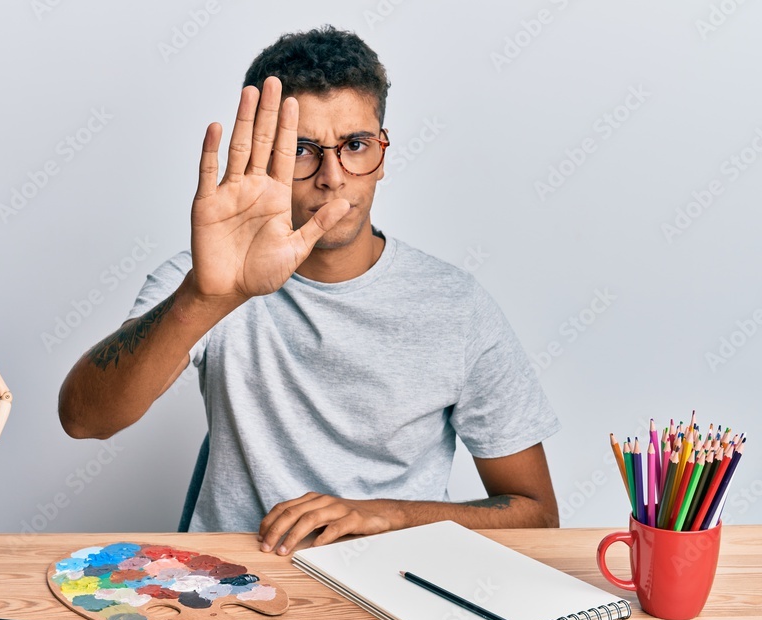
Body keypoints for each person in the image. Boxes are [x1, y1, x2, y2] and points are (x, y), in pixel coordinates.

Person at [59, 26, 561, 554]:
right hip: (232, 582)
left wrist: (387, 516)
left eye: (355, 145)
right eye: (301, 149)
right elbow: (84, 419)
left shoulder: (457, 306)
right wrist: (208, 299)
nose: (332, 176)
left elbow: (536, 515)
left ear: (383, 156)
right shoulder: (206, 277)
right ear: (262, 157)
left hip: (397, 588)